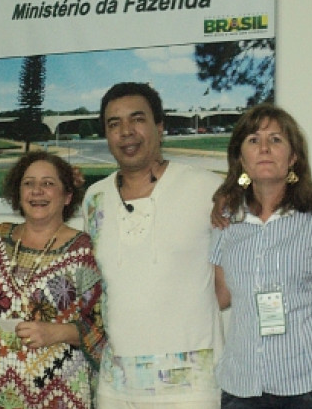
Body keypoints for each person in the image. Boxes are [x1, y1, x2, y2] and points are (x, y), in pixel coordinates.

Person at [82, 82, 223, 409]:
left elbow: (227, 287)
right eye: (114, 124)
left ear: (160, 127)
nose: (126, 132)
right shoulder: (95, 198)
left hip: (190, 387)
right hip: (116, 387)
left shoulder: (206, 188)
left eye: (137, 119)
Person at [211, 104, 312, 409]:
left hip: (306, 385)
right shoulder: (226, 218)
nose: (264, 148)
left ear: (293, 158)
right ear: (240, 157)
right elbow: (220, 296)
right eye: (253, 140)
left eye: (276, 139)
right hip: (241, 385)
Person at [0, 151, 104, 408]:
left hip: (61, 393)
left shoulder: (83, 250)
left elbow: (102, 329)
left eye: (48, 183)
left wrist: (56, 332)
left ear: (67, 196)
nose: (37, 191)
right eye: (28, 183)